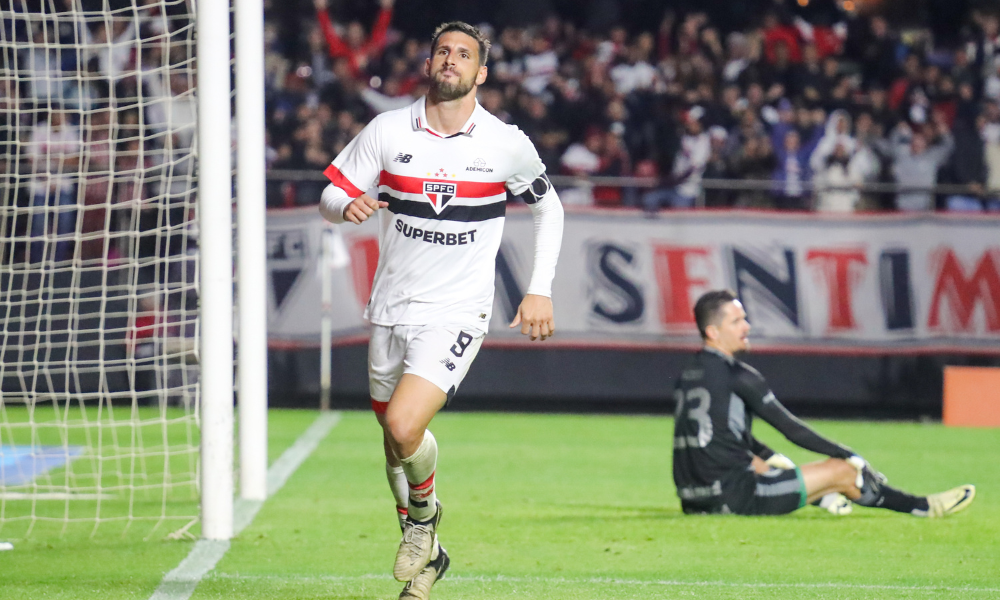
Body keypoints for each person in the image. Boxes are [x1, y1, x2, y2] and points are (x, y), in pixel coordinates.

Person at [318, 21, 564, 600]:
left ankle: (423, 523)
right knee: (394, 440)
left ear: (481, 73)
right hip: (390, 307)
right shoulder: (387, 131)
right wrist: (345, 205)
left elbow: (547, 207)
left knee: (406, 425)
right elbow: (330, 191)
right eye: (442, 52)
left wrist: (540, 287)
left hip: (457, 311)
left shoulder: (504, 142)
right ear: (429, 64)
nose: (451, 60)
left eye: (464, 54)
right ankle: (430, 555)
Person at [672, 289, 976, 518]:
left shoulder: (687, 373)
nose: (747, 326)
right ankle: (921, 507)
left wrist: (767, 455)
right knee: (842, 471)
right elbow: (791, 428)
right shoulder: (739, 375)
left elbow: (722, 433)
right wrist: (848, 454)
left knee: (760, 463)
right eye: (737, 321)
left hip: (693, 498)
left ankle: (824, 497)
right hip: (733, 499)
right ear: (713, 332)